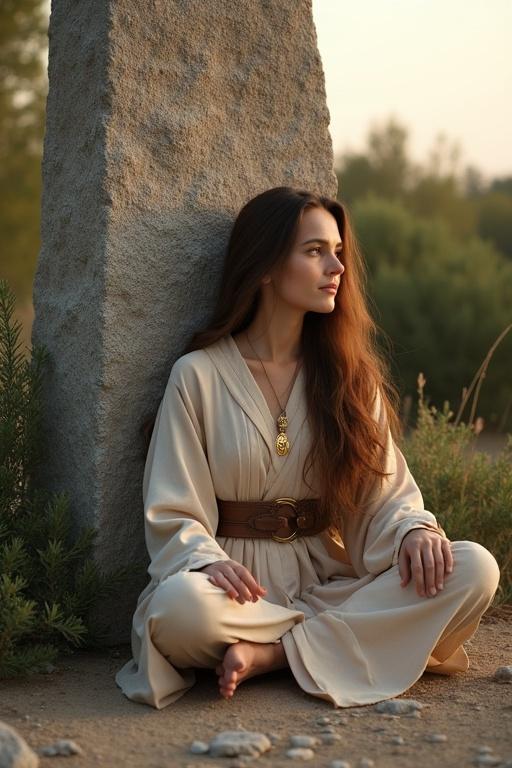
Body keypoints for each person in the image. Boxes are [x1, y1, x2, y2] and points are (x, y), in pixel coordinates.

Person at [115, 186, 501, 710]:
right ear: (267, 266)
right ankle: (324, 643)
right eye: (316, 251)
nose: (336, 266)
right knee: (181, 609)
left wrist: (412, 528)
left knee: (475, 568)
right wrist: (201, 562)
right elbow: (171, 506)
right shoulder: (198, 376)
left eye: (338, 252)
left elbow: (385, 494)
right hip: (237, 592)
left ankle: (271, 655)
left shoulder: (349, 378)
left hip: (329, 584)